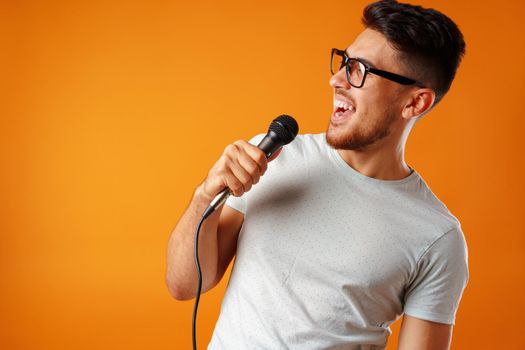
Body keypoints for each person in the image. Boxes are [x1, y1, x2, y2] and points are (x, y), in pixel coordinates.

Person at [166, 0, 469, 348]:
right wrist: (206, 195)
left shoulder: (437, 237)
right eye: (344, 62)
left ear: (415, 103)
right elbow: (184, 285)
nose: (336, 79)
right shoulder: (272, 157)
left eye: (360, 70)